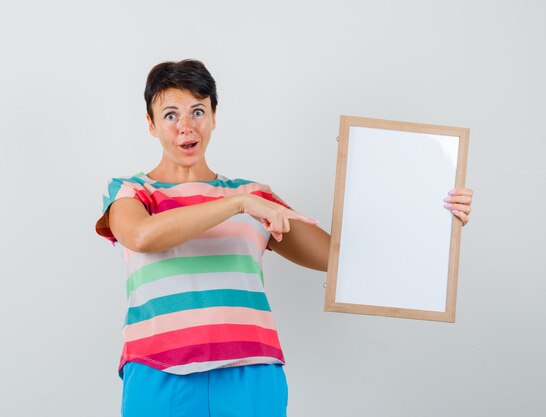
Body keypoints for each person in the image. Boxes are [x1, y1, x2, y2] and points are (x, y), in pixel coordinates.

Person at [95, 59, 473, 417]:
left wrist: (434, 217)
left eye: (198, 111)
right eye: (170, 115)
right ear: (151, 124)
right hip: (158, 371)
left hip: (251, 373)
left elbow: (338, 257)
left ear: (213, 117)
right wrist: (238, 204)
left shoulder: (255, 195)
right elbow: (142, 236)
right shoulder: (131, 190)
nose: (185, 126)